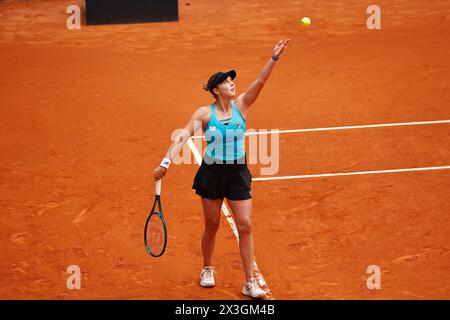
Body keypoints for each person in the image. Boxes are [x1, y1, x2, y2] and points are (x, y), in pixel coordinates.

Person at [154, 39, 290, 298]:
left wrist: (273, 59)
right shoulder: (204, 113)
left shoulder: (242, 105)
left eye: (232, 80)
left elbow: (260, 83)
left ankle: (249, 282)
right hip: (212, 174)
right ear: (216, 90)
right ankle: (207, 267)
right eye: (227, 81)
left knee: (246, 225)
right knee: (212, 224)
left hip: (238, 172)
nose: (232, 83)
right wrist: (165, 162)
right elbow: (182, 136)